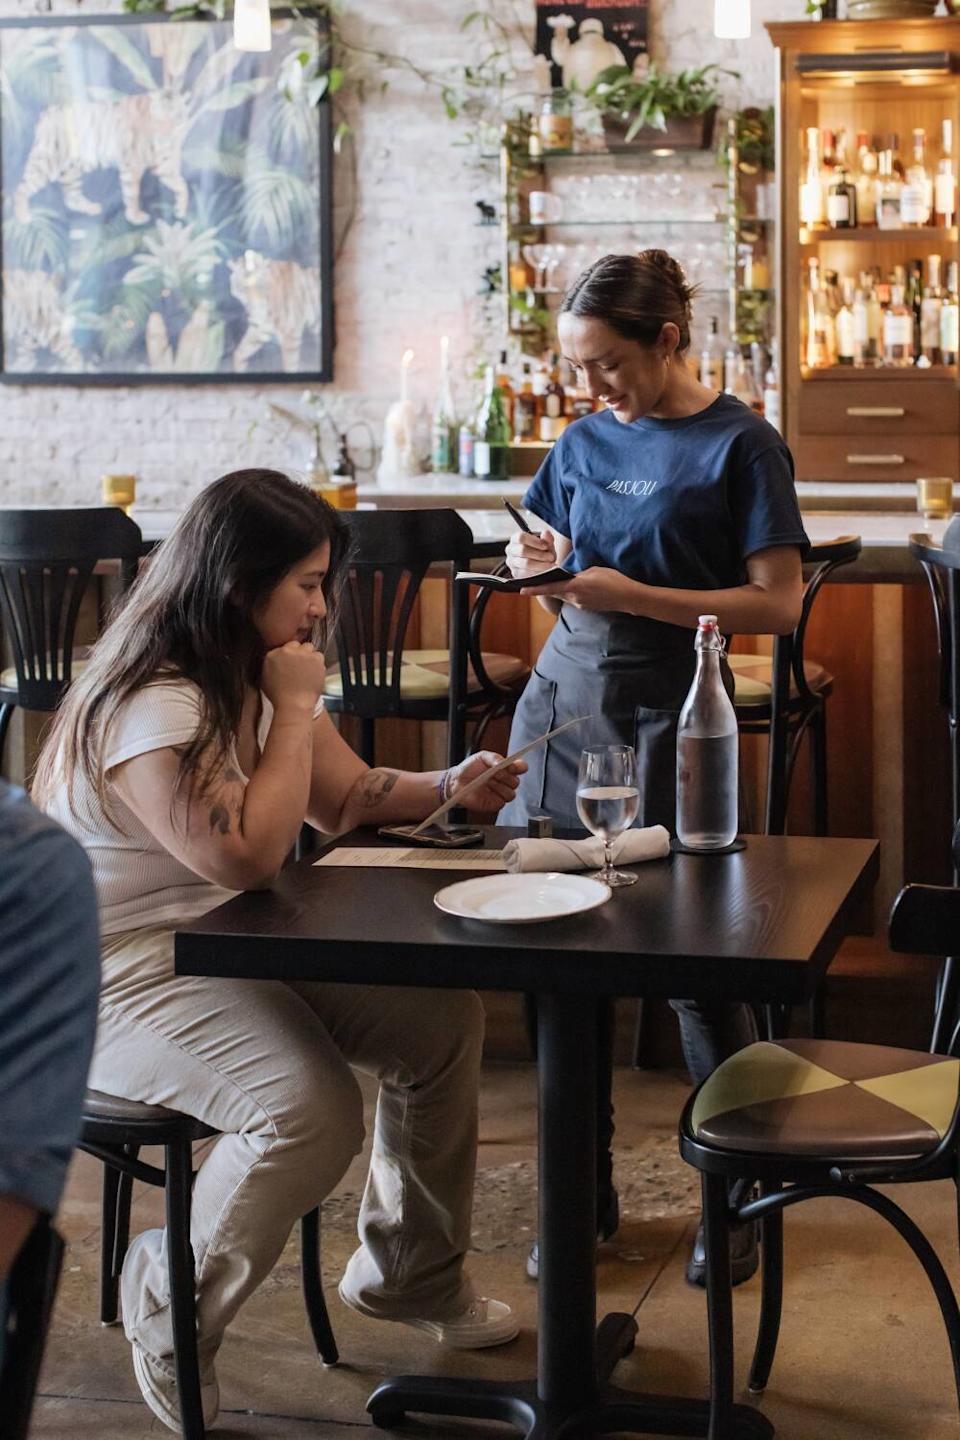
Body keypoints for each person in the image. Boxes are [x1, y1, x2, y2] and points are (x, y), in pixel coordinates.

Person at [33, 469, 525, 1433]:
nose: (321, 604)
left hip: (221, 943)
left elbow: (342, 798)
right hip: (114, 968)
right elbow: (250, 857)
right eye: (305, 582)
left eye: (323, 581)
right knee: (306, 1111)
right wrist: (297, 707)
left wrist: (448, 784)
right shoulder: (156, 704)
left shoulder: (252, 668)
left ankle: (406, 1275)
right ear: (234, 583)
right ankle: (167, 1303)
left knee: (438, 1022)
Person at [499, 251, 808, 1286]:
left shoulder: (742, 445)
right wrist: (535, 570)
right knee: (559, 967)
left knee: (694, 971)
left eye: (610, 365)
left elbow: (776, 606)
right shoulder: (583, 437)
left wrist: (630, 596)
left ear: (668, 340)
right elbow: (543, 547)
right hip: (563, 709)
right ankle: (579, 1198)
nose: (592, 388)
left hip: (682, 714)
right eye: (579, 366)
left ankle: (738, 1203)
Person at [0, 779, 100, 1363]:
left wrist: (291, 712)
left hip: (151, 976)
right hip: (145, 974)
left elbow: (249, 859)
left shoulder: (24, 867)